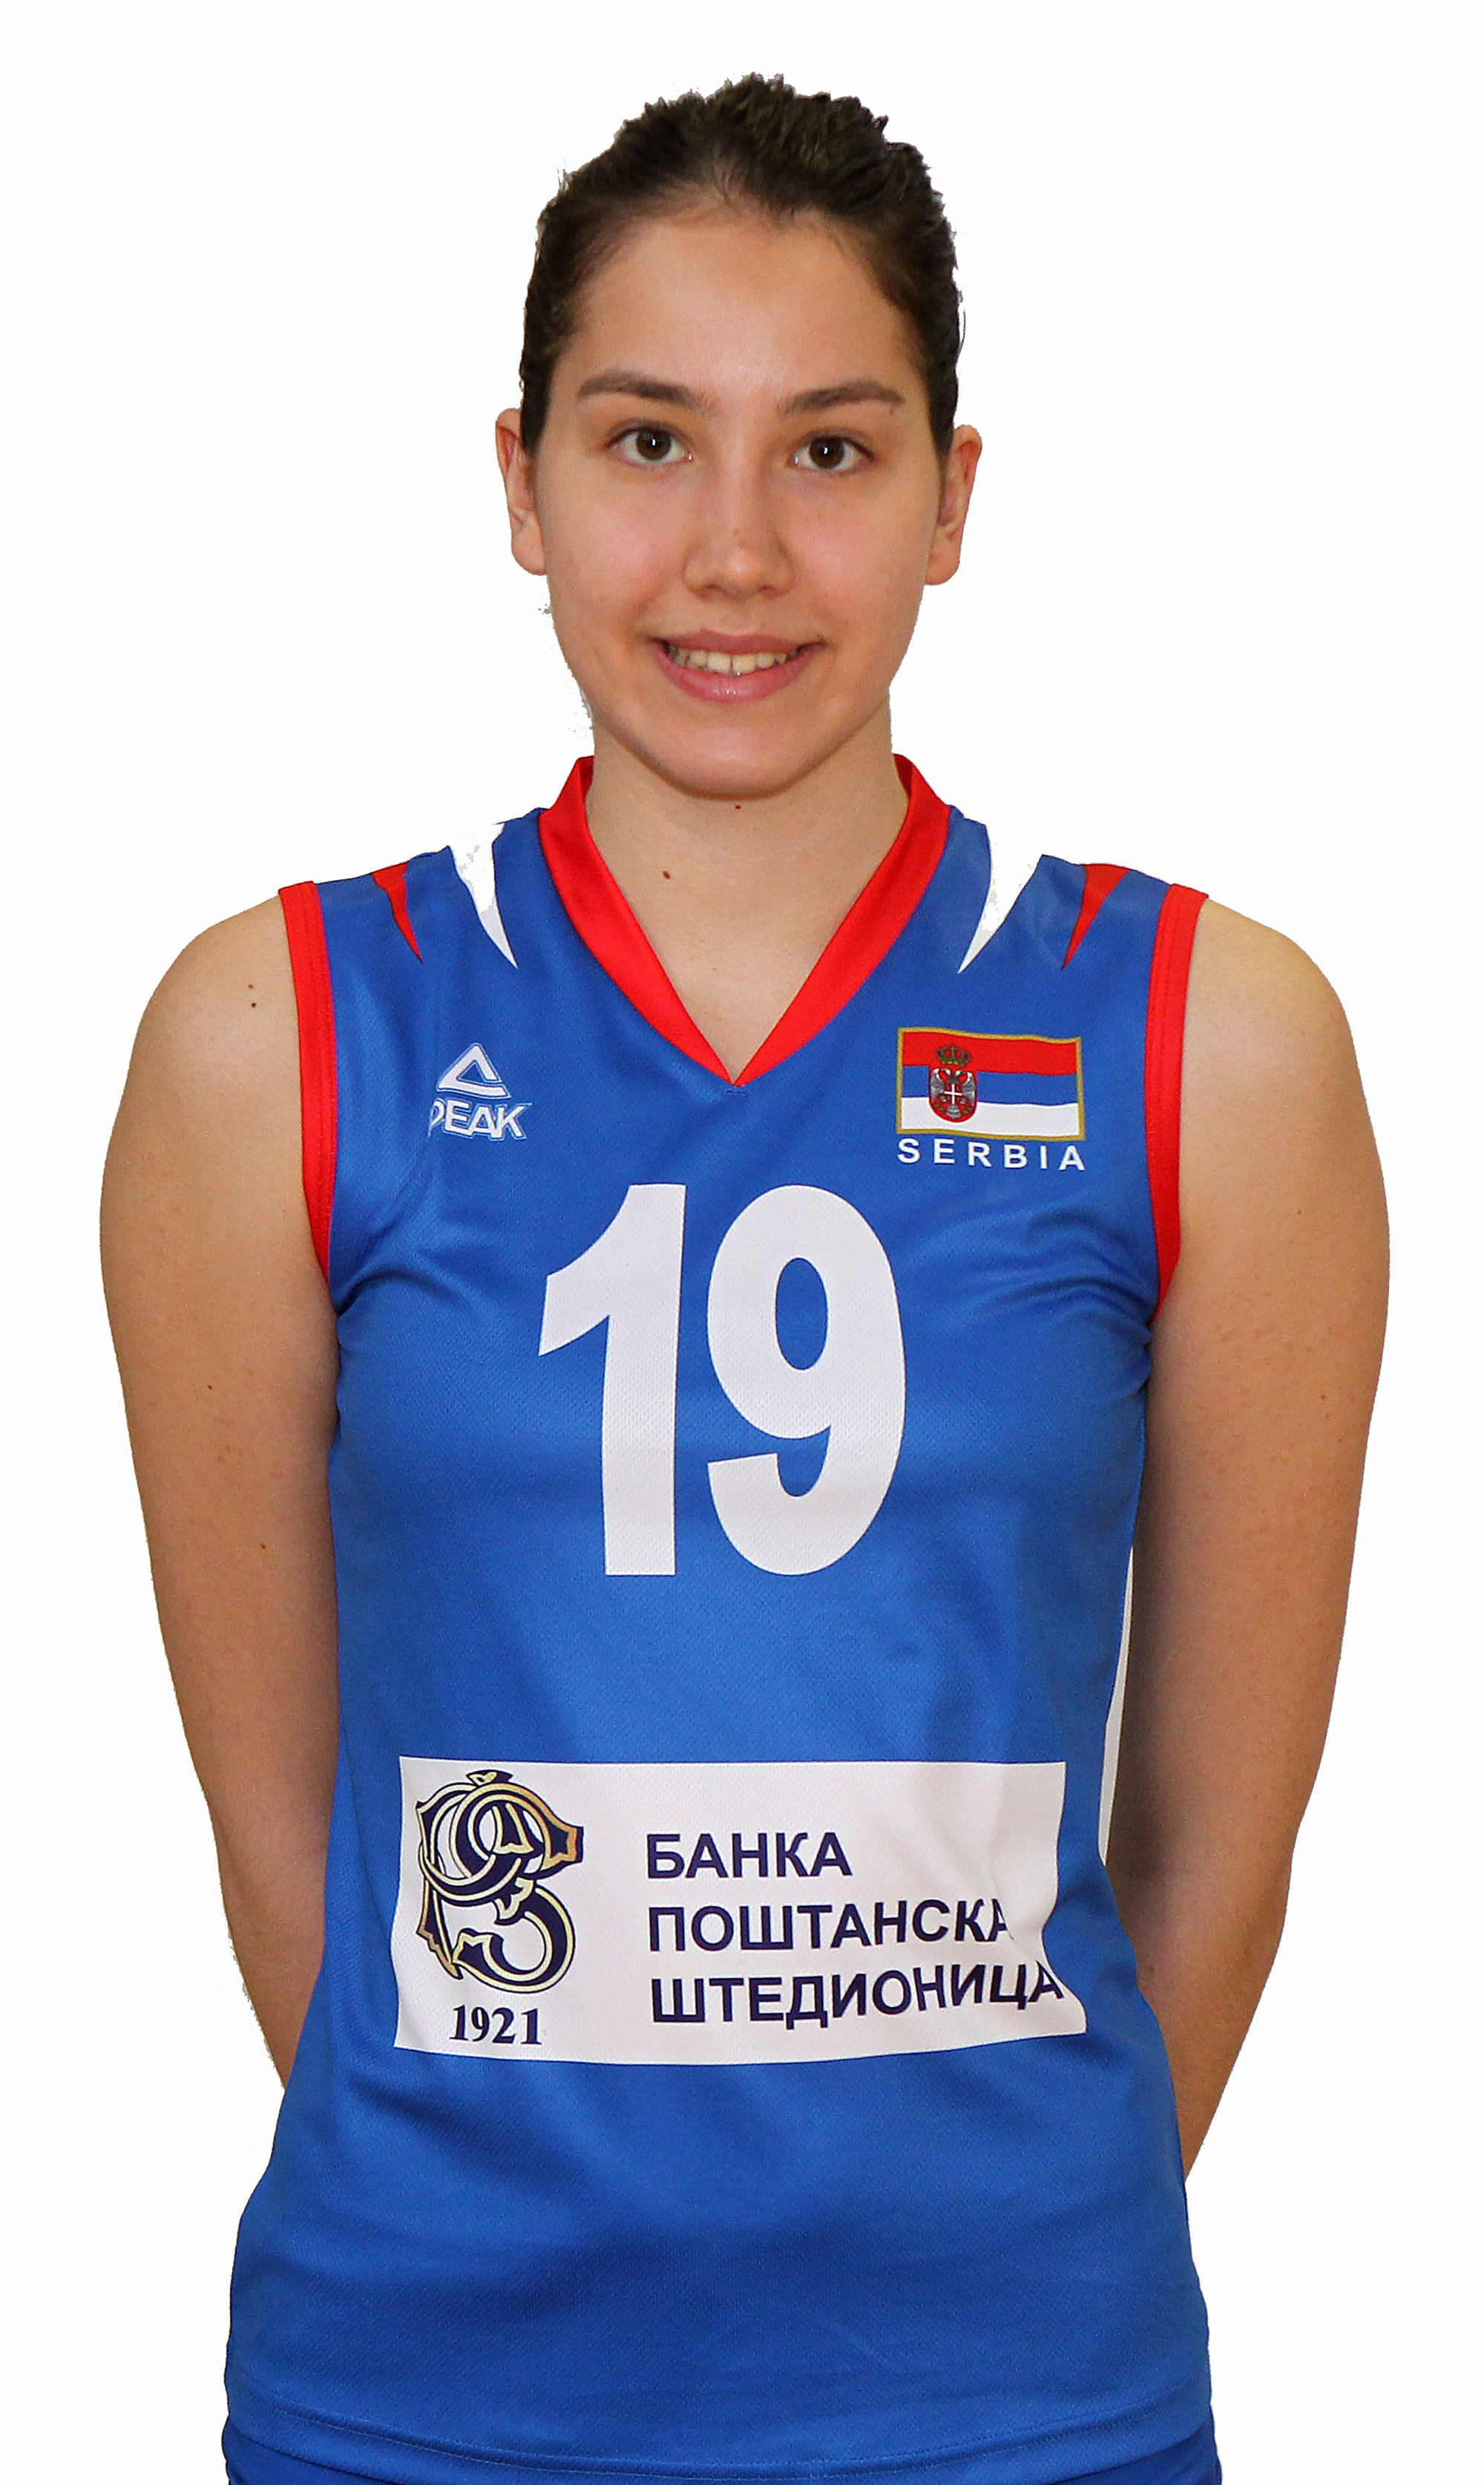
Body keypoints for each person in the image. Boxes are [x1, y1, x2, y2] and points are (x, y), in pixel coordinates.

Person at [102, 73, 1387, 2485]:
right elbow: (290, 1849)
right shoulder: (274, 1041)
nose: (734, 554)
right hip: (422, 2398)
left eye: (830, 450)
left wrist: (970, 2278)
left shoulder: (1211, 1044)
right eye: (645, 440)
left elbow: (1220, 1843)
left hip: (1023, 2404)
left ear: (953, 497)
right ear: (519, 483)